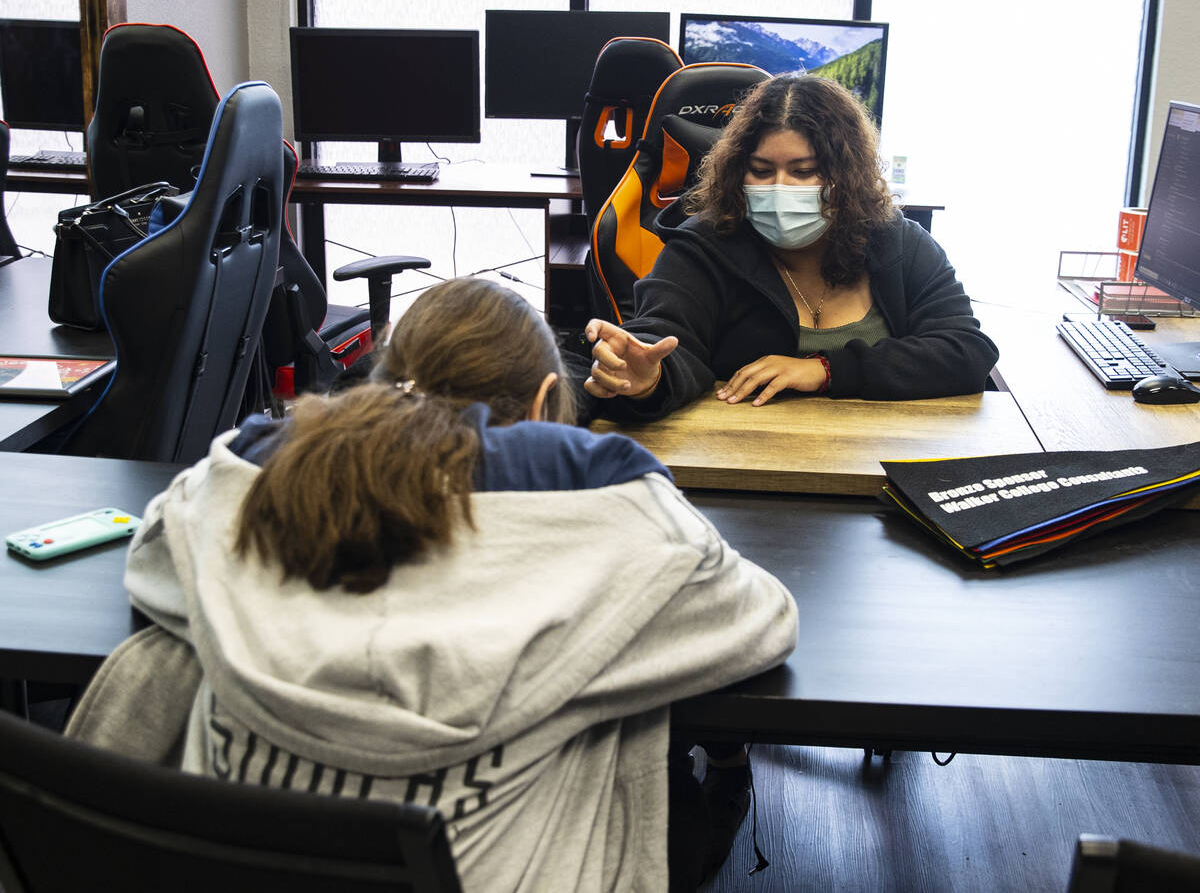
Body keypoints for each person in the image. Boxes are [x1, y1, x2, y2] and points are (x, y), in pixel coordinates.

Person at [66, 278, 798, 893]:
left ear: (380, 385)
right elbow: (760, 623)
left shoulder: (227, 498)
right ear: (545, 405)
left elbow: (154, 568)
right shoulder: (611, 526)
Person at [583, 74, 1000, 421]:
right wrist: (648, 378)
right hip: (744, 468)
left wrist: (825, 371)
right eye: (762, 171)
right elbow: (667, 340)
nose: (780, 188)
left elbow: (966, 350)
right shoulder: (704, 244)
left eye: (804, 172)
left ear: (846, 175)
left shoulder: (898, 241)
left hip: (884, 464)